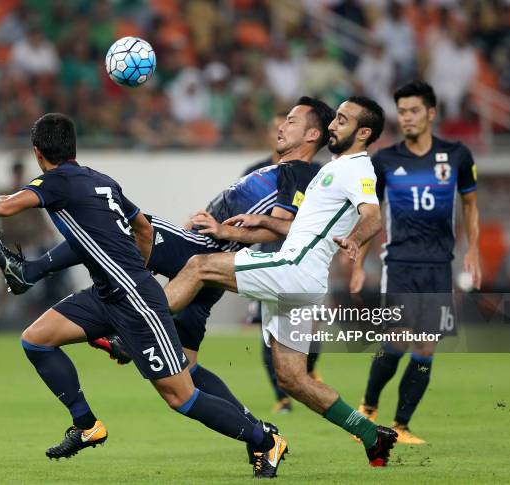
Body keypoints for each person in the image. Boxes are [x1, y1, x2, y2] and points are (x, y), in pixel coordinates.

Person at [0, 97, 334, 475]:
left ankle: (263, 440)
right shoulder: (271, 168)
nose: (281, 126)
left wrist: (223, 231)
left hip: (194, 256)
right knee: (47, 339)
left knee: (180, 395)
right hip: (165, 279)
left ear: (313, 134)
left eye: (291, 120)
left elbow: (287, 226)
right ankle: (88, 422)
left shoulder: (299, 174)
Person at [160, 96, 398, 467]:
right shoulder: (332, 170)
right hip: (303, 281)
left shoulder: (358, 169)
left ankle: (137, 329)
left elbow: (373, 216)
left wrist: (355, 239)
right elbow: (298, 227)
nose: (333, 125)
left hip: (292, 269)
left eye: (343, 120)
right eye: (335, 118)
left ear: (363, 132)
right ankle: (372, 435)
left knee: (199, 265)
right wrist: (262, 223)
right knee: (292, 379)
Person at [350, 81, 481, 444]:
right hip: (400, 264)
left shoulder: (457, 155)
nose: (406, 118)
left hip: (440, 264)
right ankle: (367, 409)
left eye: (413, 111)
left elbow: (470, 203)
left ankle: (401, 426)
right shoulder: (385, 160)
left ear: (431, 113)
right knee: (398, 339)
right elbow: (371, 216)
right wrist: (359, 262)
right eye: (402, 112)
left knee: (425, 347)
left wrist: (473, 249)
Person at [242, 112, 322, 414]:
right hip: (268, 257)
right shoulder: (255, 172)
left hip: (305, 261)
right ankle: (282, 396)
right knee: (269, 329)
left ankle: (305, 373)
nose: (282, 130)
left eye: (289, 124)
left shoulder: (317, 173)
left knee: (310, 330)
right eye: (278, 126)